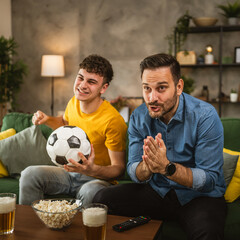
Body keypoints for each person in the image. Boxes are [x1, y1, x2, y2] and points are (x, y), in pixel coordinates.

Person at [93, 53, 227, 240]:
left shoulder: (204, 116)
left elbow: (210, 179)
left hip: (198, 198)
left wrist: (167, 168)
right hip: (158, 193)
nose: (152, 97)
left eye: (161, 88)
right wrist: (146, 167)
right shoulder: (139, 117)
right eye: (147, 88)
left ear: (179, 86)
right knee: (101, 200)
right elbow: (133, 170)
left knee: (208, 233)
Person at [19, 54, 127, 206]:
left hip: (98, 180)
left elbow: (119, 169)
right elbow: (65, 124)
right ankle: (29, 226)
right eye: (80, 78)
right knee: (29, 174)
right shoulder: (74, 101)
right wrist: (47, 119)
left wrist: (93, 170)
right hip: (69, 173)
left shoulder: (113, 120)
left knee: (88, 192)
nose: (82, 85)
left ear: (104, 88)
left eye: (91, 82)